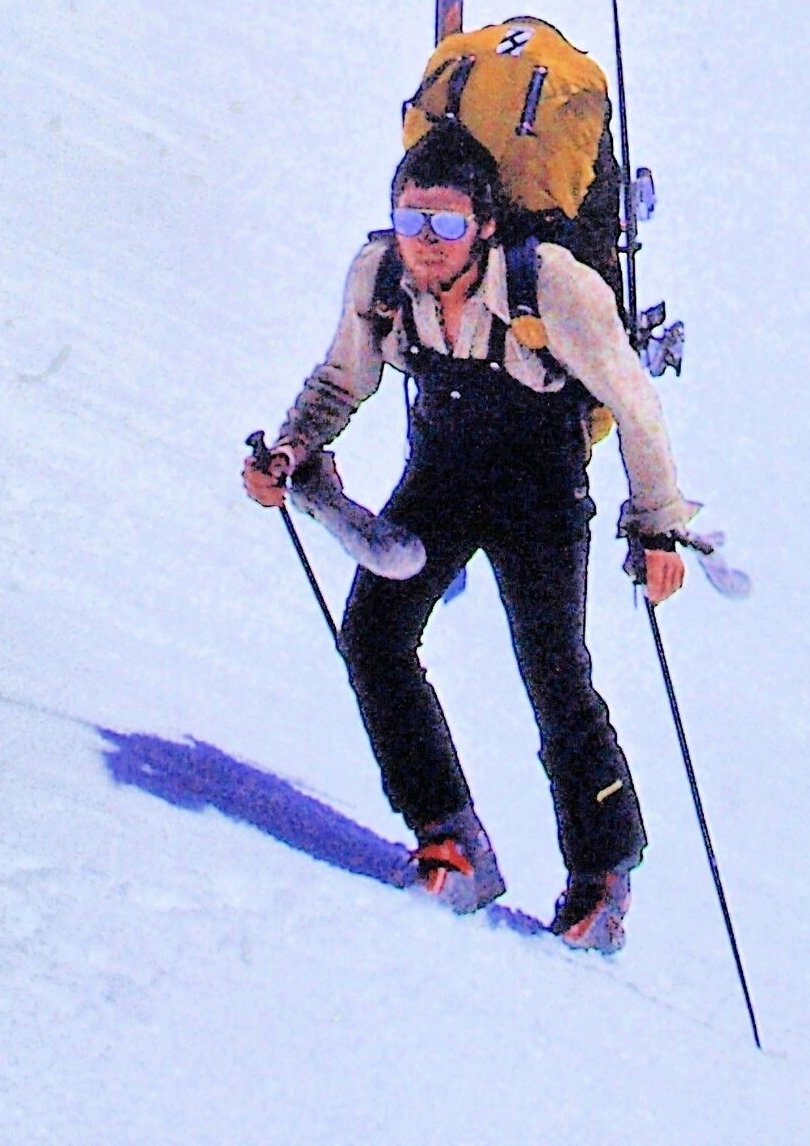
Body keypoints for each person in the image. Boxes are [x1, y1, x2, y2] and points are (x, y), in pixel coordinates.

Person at [243, 118, 700, 952]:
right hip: (446, 471)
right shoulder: (378, 275)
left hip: (539, 487)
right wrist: (292, 449)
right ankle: (449, 840)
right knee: (375, 638)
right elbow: (342, 378)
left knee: (555, 673)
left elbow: (635, 405)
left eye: (447, 224)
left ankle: (601, 878)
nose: (426, 242)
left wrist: (658, 528)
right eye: (413, 219)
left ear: (485, 225)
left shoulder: (554, 287)